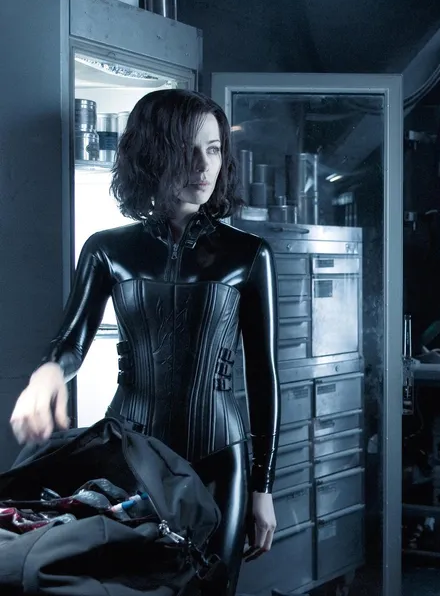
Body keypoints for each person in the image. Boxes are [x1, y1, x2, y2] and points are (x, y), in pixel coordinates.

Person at [8, 89, 281, 595]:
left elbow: (263, 377)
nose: (204, 166)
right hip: (130, 459)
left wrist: (263, 487)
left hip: (220, 460)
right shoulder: (106, 249)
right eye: (187, 149)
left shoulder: (249, 254)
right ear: (153, 153)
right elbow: (72, 341)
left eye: (214, 149)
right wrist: (46, 377)